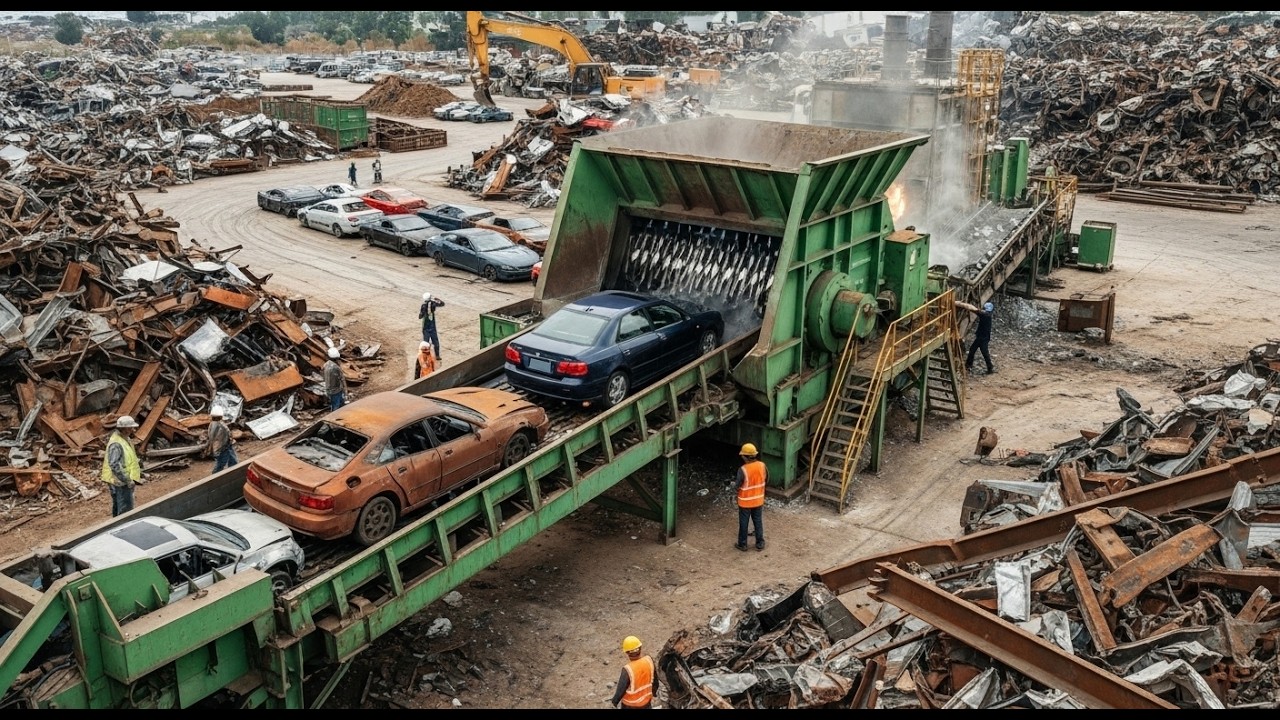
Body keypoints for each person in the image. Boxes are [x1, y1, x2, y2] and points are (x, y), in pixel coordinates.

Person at [101, 415, 141, 517]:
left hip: (120, 480)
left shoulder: (124, 439)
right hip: (120, 482)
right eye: (131, 427)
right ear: (125, 429)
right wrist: (127, 480)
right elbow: (114, 464)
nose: (133, 429)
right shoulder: (116, 443)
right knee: (125, 511)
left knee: (118, 508)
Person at [732, 443, 766, 551]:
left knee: (744, 523)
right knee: (758, 521)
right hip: (758, 499)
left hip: (745, 502)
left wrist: (734, 487)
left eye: (742, 455)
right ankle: (760, 543)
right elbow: (766, 479)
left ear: (745, 457)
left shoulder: (743, 470)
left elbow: (737, 486)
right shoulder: (762, 465)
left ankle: (743, 544)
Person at [611, 636, 658, 709]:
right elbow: (655, 681)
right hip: (646, 702)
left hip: (630, 705)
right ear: (640, 649)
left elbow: (621, 690)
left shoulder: (628, 669)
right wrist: (654, 693)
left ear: (627, 652)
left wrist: (614, 702)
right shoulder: (649, 660)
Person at [956, 300, 996, 375]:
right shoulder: (988, 315)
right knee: (974, 350)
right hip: (982, 337)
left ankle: (989, 367)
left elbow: (972, 308)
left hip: (983, 338)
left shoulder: (985, 315)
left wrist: (959, 304)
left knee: (983, 352)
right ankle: (969, 366)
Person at [206, 406, 238, 472]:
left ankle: (233, 473)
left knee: (233, 461)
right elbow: (213, 438)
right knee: (220, 464)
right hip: (223, 448)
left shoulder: (214, 423)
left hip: (227, 446)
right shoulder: (217, 425)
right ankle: (214, 477)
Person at [419, 292, 445, 359]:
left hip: (426, 326)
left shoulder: (423, 305)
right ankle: (437, 355)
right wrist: (437, 299)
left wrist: (422, 314)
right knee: (435, 341)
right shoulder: (433, 303)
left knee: (426, 342)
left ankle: (425, 356)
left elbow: (420, 316)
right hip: (432, 326)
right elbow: (442, 304)